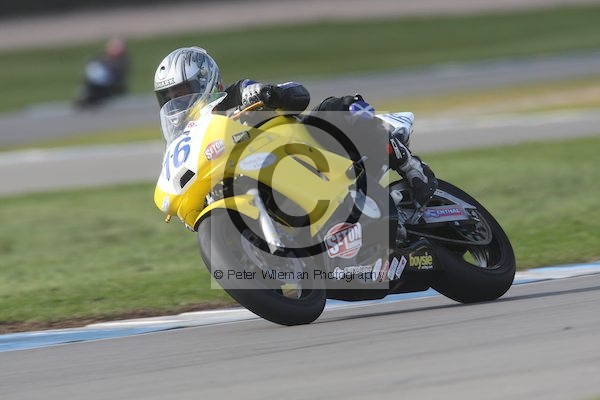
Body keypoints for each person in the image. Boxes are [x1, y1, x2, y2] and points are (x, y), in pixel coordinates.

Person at [153, 46, 437, 210]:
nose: (177, 102)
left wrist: (268, 94)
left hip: (303, 155)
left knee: (337, 108)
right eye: (169, 97)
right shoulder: (186, 140)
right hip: (262, 186)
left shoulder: (236, 94)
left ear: (207, 81)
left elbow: (298, 96)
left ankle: (409, 164)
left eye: (183, 92)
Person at [76, 37, 130, 108]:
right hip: (96, 89)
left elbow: (116, 79)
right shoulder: (99, 59)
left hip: (111, 90)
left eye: (118, 48)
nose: (115, 50)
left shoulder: (121, 62)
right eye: (114, 47)